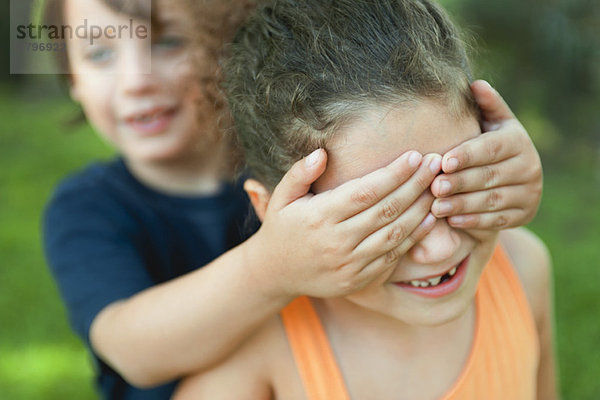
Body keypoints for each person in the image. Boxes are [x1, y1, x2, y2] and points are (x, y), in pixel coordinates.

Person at [41, 0, 544, 398]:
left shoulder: (315, 139)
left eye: (169, 40)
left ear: (223, 40)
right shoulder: (85, 211)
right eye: (98, 52)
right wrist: (271, 266)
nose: (137, 80)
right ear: (69, 76)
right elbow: (132, 352)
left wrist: (494, 173)